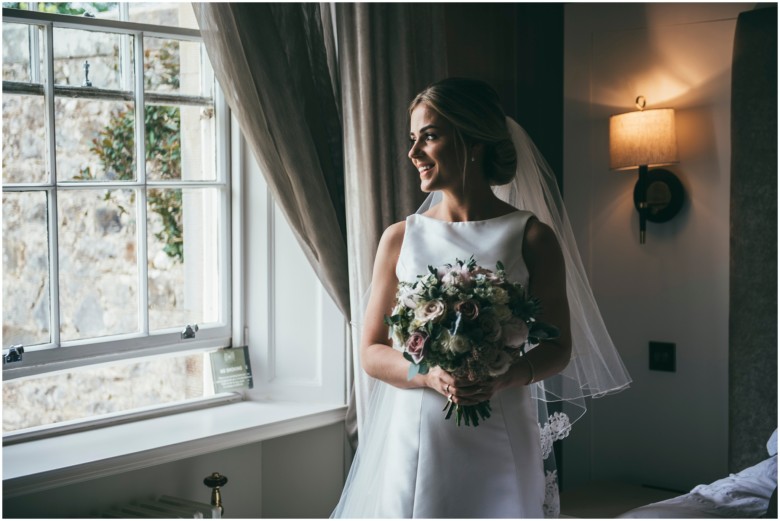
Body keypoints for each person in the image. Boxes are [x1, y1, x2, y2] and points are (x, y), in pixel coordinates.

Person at [332, 78, 630, 518]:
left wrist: (505, 376)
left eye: (429, 137)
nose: (413, 154)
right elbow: (372, 352)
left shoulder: (531, 237)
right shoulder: (400, 238)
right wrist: (427, 373)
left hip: (501, 427)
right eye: (412, 139)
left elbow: (558, 347)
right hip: (419, 432)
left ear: (472, 142)